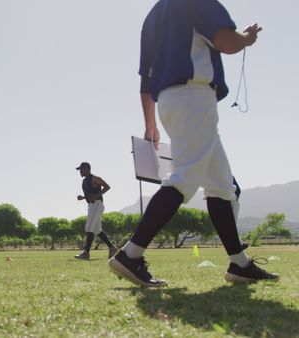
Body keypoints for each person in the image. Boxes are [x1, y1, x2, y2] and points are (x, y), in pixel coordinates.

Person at [109, 0, 278, 287]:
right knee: (184, 178)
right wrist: (248, 38)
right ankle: (130, 253)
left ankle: (239, 263)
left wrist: (150, 122)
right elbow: (226, 41)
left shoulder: (152, 17)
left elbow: (145, 79)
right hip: (194, 97)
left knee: (223, 186)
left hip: (171, 103)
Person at [74, 162, 118, 260]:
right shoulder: (84, 181)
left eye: (81, 169)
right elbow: (90, 193)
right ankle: (112, 248)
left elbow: (107, 186)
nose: (80, 171)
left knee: (89, 227)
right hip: (92, 206)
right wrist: (83, 197)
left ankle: (86, 253)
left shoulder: (95, 178)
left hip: (97, 205)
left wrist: (96, 196)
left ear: (87, 169)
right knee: (97, 230)